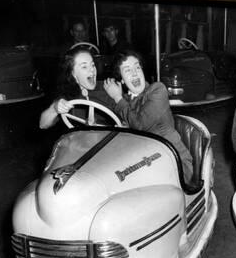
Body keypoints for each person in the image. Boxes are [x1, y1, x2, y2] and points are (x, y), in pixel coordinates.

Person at [102, 50, 194, 183]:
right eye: (127, 70)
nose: (134, 73)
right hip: (146, 160)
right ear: (121, 80)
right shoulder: (127, 101)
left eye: (137, 67)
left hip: (174, 161)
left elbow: (139, 125)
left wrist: (117, 97)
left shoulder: (157, 90)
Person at [39, 47, 116, 129]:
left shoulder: (108, 87)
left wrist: (118, 96)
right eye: (84, 67)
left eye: (92, 65)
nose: (92, 70)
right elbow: (43, 125)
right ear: (73, 73)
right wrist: (54, 108)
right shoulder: (67, 95)